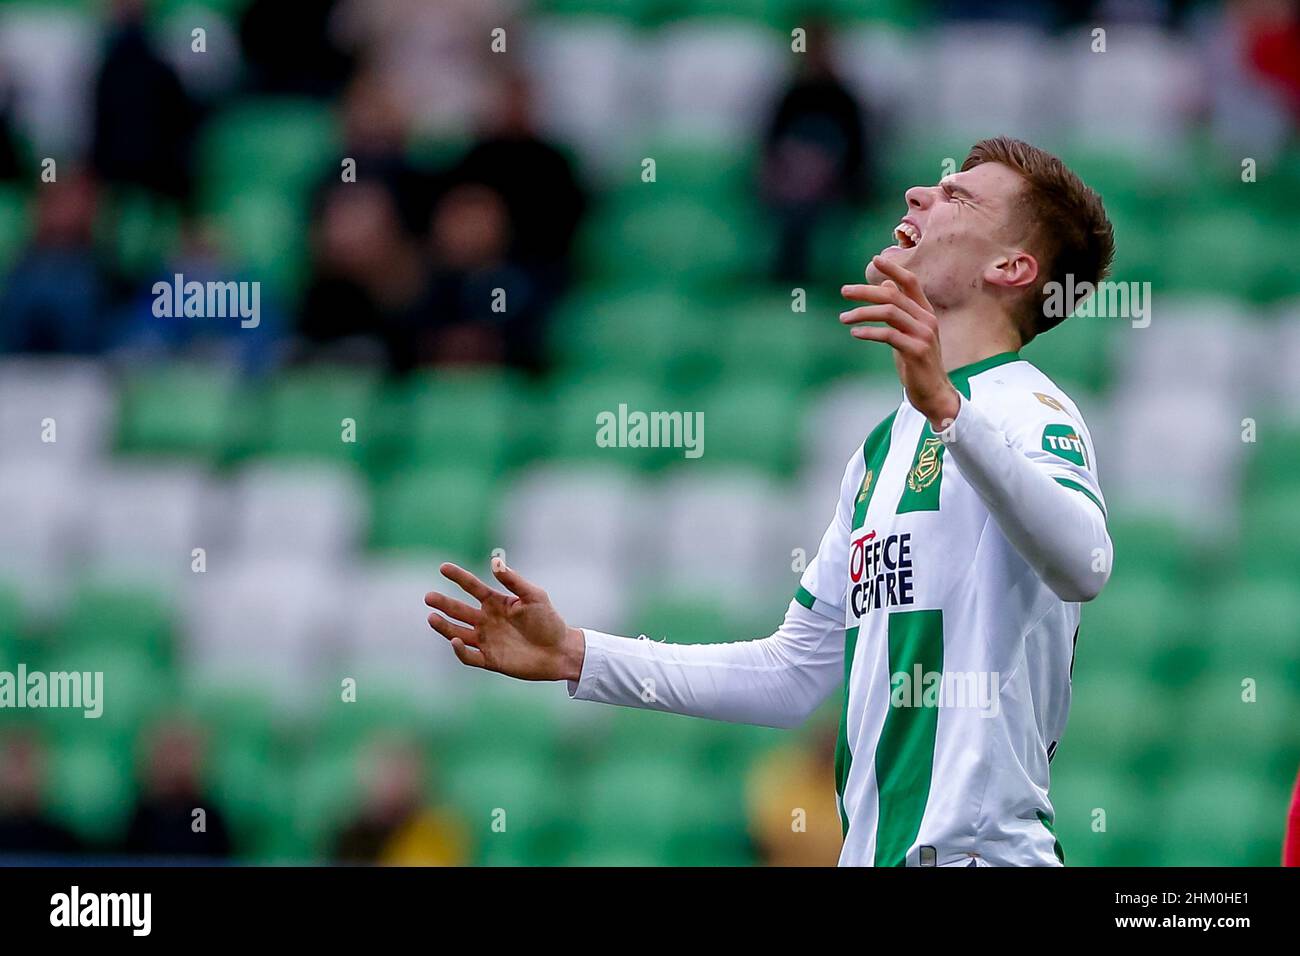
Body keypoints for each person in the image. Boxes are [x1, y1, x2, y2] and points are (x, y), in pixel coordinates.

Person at [425, 136, 1115, 867]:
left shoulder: (1029, 409)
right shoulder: (881, 450)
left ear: (1011, 267)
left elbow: (1086, 564)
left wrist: (948, 407)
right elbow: (791, 676)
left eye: (958, 197)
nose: (919, 195)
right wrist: (577, 654)